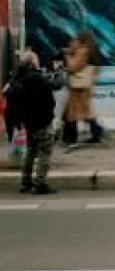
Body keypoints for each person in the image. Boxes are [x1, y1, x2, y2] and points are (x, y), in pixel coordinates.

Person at [12, 51, 64, 194]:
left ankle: (26, 181)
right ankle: (40, 183)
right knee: (44, 152)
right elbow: (56, 86)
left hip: (28, 123)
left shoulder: (18, 78)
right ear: (33, 63)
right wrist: (59, 70)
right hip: (42, 121)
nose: (38, 62)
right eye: (37, 59)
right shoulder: (36, 78)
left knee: (30, 152)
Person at [63, 31, 103, 147]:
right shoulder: (91, 51)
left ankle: (71, 138)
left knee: (73, 113)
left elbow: (73, 67)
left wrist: (68, 56)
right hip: (84, 85)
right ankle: (96, 133)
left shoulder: (81, 51)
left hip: (78, 87)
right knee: (84, 112)